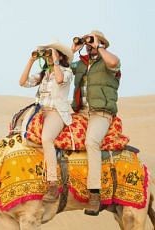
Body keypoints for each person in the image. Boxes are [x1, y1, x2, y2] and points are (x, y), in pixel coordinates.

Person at [71, 30, 121, 214]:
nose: (88, 44)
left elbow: (113, 62)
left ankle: (94, 193)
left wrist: (98, 46)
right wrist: (73, 48)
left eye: (91, 41)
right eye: (87, 42)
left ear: (102, 44)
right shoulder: (82, 64)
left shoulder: (109, 62)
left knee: (91, 142)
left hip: (101, 113)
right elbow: (64, 66)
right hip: (81, 112)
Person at [19, 41, 74, 201]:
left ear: (60, 55)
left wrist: (55, 61)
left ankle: (53, 183)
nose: (49, 56)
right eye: (48, 54)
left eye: (52, 53)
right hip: (40, 111)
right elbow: (22, 82)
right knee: (19, 132)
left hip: (56, 112)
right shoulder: (44, 73)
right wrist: (31, 60)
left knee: (46, 139)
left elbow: (59, 79)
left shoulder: (66, 71)